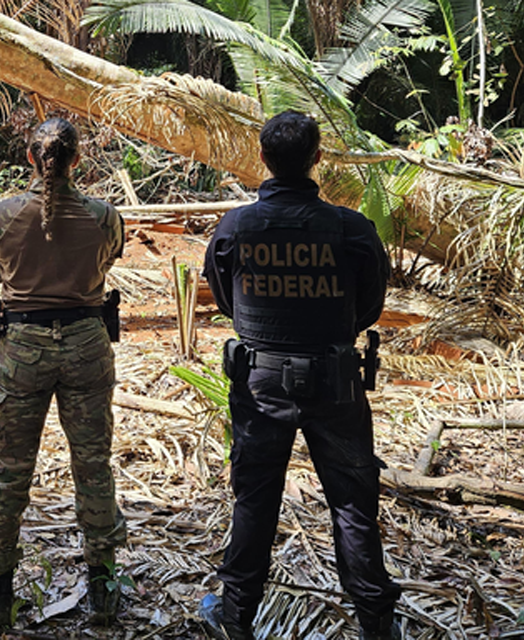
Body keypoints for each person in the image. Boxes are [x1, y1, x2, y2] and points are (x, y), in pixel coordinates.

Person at [200, 110, 401, 640]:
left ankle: (235, 617)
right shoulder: (350, 228)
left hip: (260, 381)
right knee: (353, 504)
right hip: (335, 380)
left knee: (255, 500)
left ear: (262, 158)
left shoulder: (236, 227)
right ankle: (377, 624)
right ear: (317, 159)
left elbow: (226, 300)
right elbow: (369, 307)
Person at [0, 117, 128, 629]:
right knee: (93, 465)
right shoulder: (103, 216)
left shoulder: (3, 215)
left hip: (23, 348)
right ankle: (103, 588)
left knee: (9, 468)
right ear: (77, 160)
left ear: (30, 158)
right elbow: (107, 262)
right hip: (86, 344)